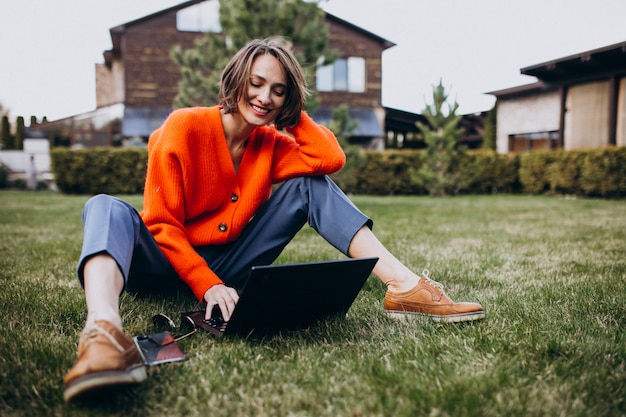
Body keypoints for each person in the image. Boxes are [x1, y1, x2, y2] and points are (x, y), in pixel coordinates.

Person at [62, 37, 484, 402]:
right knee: (104, 206)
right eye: (257, 83)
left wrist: (292, 113)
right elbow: (161, 225)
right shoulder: (184, 127)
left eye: (279, 91)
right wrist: (206, 284)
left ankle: (404, 287)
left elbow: (328, 159)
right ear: (236, 79)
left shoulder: (269, 143)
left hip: (230, 261)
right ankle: (103, 331)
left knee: (310, 186)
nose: (265, 97)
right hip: (161, 261)